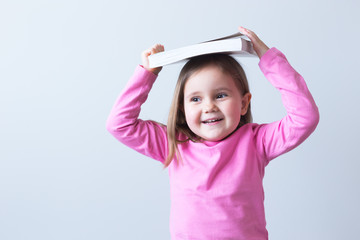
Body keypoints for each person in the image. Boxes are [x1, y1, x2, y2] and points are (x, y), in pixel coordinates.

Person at [106, 26, 320, 240]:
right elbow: (119, 124)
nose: (209, 107)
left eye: (220, 95)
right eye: (196, 99)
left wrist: (268, 58)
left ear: (244, 103)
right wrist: (147, 72)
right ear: (183, 108)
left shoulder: (256, 142)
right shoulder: (172, 143)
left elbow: (305, 117)